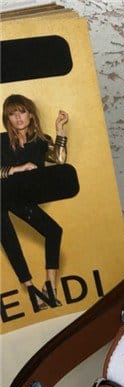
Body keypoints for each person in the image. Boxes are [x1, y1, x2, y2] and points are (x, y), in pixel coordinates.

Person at [1, 94, 69, 308]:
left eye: (22, 112)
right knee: (9, 239)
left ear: (30, 114)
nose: (18, 118)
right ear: (7, 119)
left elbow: (59, 159)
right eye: (12, 114)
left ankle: (50, 287)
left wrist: (60, 130)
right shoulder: (1, 141)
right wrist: (17, 169)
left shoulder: (41, 141)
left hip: (21, 198)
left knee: (54, 231)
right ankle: (31, 289)